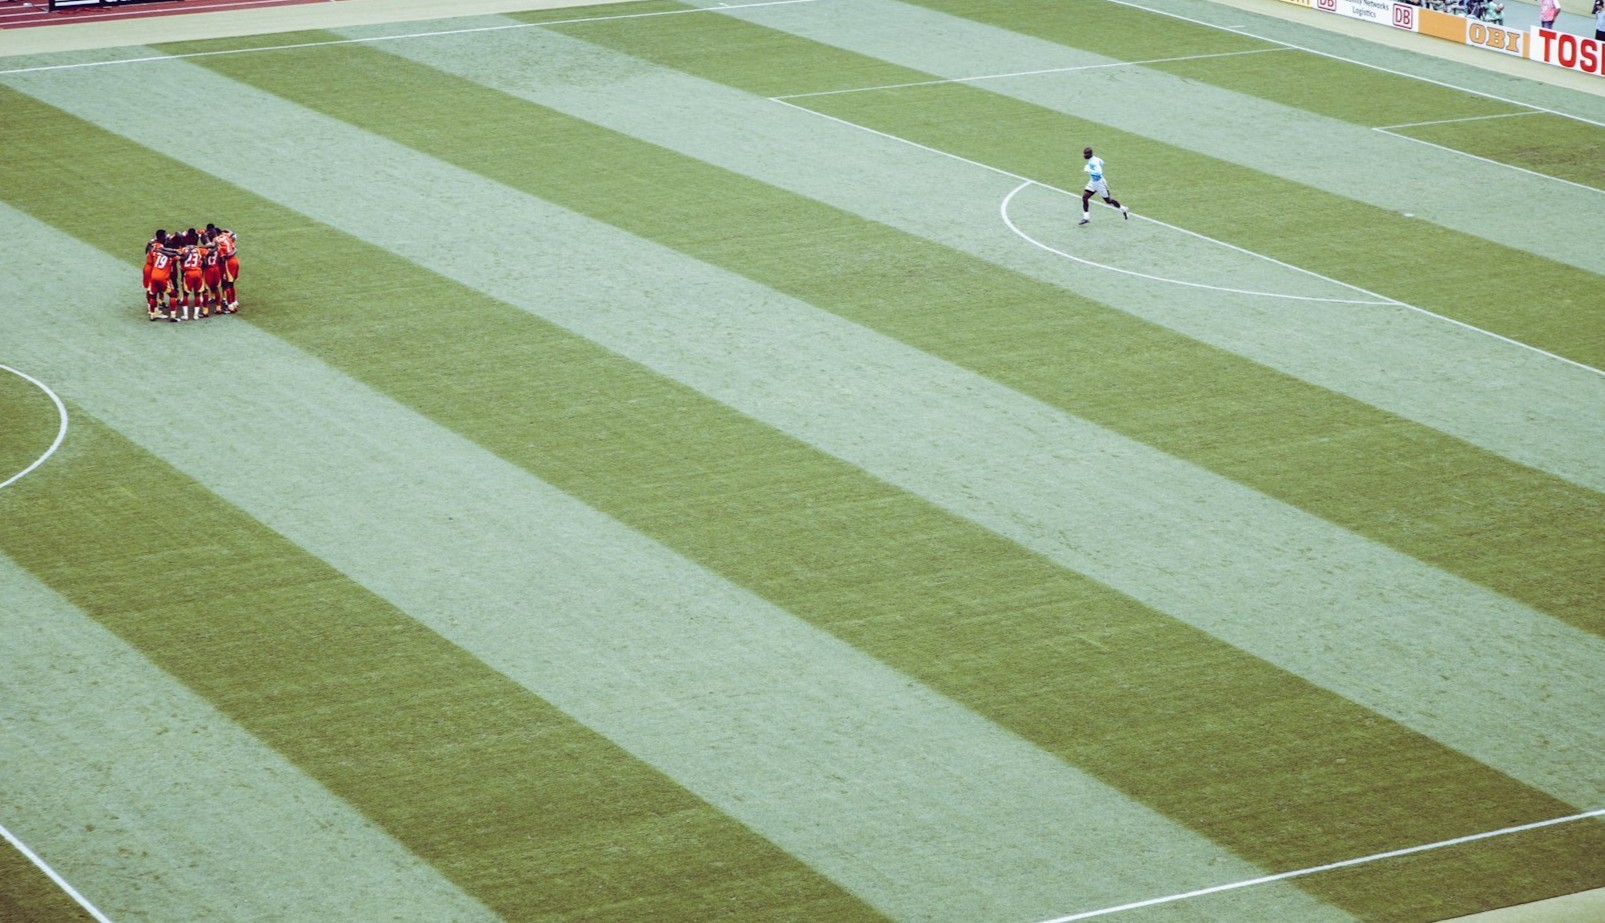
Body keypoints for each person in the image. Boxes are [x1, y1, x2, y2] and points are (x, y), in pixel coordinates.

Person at [1079, 146, 1129, 226]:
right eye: (1084, 154)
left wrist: (1089, 170)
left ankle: (1124, 209)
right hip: (1093, 182)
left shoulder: (1093, 162)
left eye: (1085, 154)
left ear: (1090, 154)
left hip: (1100, 183)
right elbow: (1102, 162)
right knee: (1085, 197)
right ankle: (1086, 218)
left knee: (1108, 201)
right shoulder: (1094, 159)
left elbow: (1099, 172)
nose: (1084, 155)